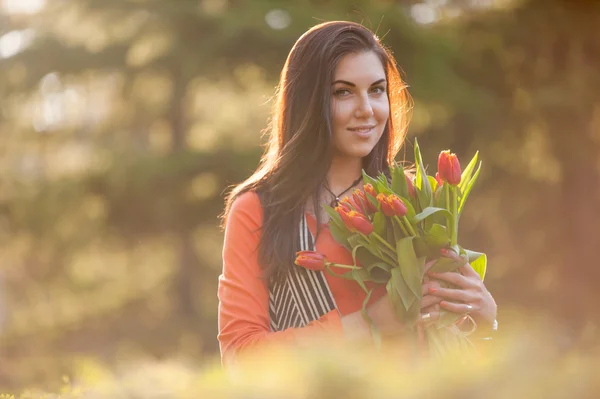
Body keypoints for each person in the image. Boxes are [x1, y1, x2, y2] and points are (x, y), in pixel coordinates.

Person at [218, 21, 497, 366]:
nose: (367, 109)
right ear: (308, 102)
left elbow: (449, 339)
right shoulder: (259, 210)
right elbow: (240, 358)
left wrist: (484, 317)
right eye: (343, 92)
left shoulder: (411, 198)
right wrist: (371, 324)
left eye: (377, 90)